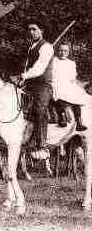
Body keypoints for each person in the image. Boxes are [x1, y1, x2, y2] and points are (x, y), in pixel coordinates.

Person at [17, 23, 55, 157]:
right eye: (30, 30)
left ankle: (42, 146)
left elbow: (39, 67)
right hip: (30, 83)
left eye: (34, 29)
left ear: (42, 30)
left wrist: (25, 75)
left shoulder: (47, 47)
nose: (31, 32)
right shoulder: (31, 47)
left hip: (43, 85)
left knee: (39, 110)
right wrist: (23, 78)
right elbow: (28, 66)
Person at [52, 43, 87, 131]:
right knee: (58, 94)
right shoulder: (53, 61)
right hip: (56, 83)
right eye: (61, 50)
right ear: (57, 51)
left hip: (67, 84)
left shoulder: (71, 63)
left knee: (76, 96)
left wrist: (73, 84)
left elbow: (73, 76)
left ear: (68, 52)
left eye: (65, 51)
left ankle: (79, 122)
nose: (63, 53)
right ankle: (62, 117)